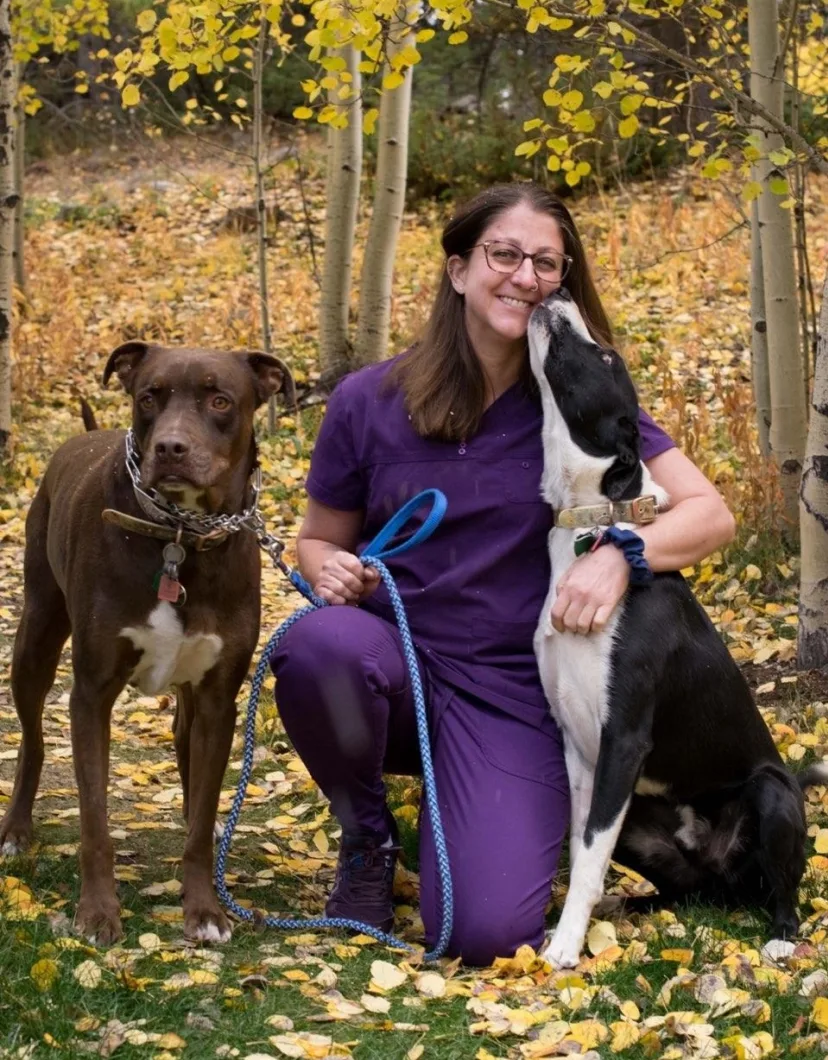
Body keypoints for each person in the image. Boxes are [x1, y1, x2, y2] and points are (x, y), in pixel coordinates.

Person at [270, 182, 735, 966]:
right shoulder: (367, 399)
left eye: (547, 263)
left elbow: (708, 514)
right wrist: (332, 571)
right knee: (320, 646)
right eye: (505, 255)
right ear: (458, 269)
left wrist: (622, 559)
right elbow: (314, 542)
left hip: (515, 690)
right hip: (397, 662)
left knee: (483, 935)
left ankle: (491, 813)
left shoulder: (577, 396)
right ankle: (367, 841)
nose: (527, 276)